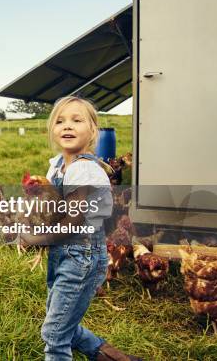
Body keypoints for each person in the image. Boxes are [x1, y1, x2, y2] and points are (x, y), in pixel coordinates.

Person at [20, 96, 141, 361]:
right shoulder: (59, 166)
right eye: (60, 121)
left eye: (77, 120)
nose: (67, 126)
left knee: (54, 334)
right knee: (63, 320)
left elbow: (73, 223)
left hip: (81, 257)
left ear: (93, 131)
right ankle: (112, 357)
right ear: (52, 130)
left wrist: (35, 238)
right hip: (65, 255)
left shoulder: (84, 169)